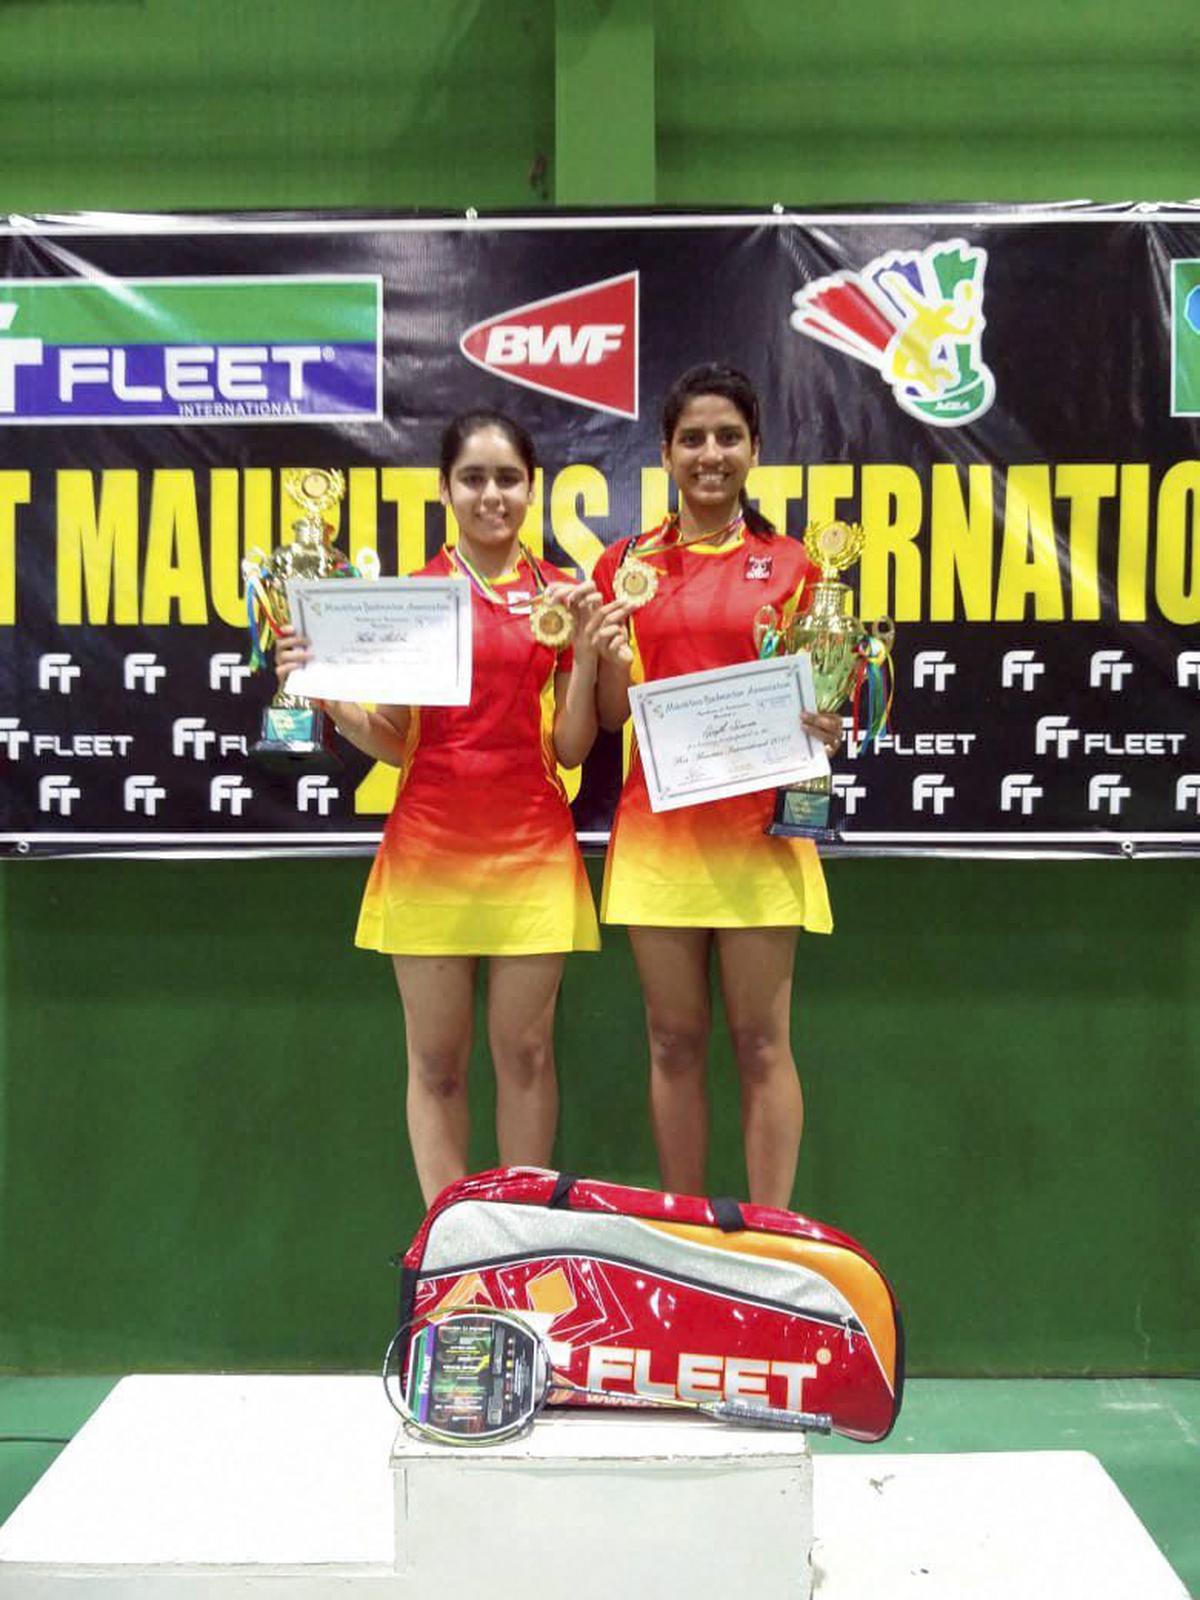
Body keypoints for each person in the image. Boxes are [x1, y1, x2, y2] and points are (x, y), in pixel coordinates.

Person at [276, 412, 603, 1205]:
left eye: (507, 479)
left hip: (531, 853)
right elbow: (398, 742)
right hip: (428, 854)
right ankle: (449, 1251)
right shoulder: (412, 600)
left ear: (533, 488)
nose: (492, 495)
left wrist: (588, 656)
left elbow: (570, 748)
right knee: (437, 1064)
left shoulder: (563, 598)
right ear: (446, 490)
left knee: (525, 1054)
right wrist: (330, 696)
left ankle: (521, 1238)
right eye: (473, 479)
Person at [588, 363, 844, 1210]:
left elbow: (827, 691)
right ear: (663, 452)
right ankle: (687, 1229)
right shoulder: (623, 567)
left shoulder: (795, 563)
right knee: (672, 1040)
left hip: (760, 838)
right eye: (692, 438)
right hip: (660, 841)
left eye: (728, 436)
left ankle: (771, 1236)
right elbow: (610, 718)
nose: (710, 453)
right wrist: (611, 657)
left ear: (755, 450)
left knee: (764, 1044)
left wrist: (829, 718)